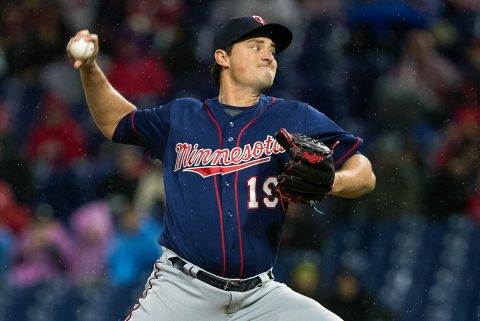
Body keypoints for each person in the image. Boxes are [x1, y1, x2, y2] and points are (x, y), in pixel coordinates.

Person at [67, 15, 376, 321]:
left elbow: (363, 171)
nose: (269, 54)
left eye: (271, 49)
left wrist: (335, 180)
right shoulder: (182, 117)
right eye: (256, 46)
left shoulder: (293, 117)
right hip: (182, 290)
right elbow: (116, 123)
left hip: (259, 296)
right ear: (222, 57)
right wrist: (91, 70)